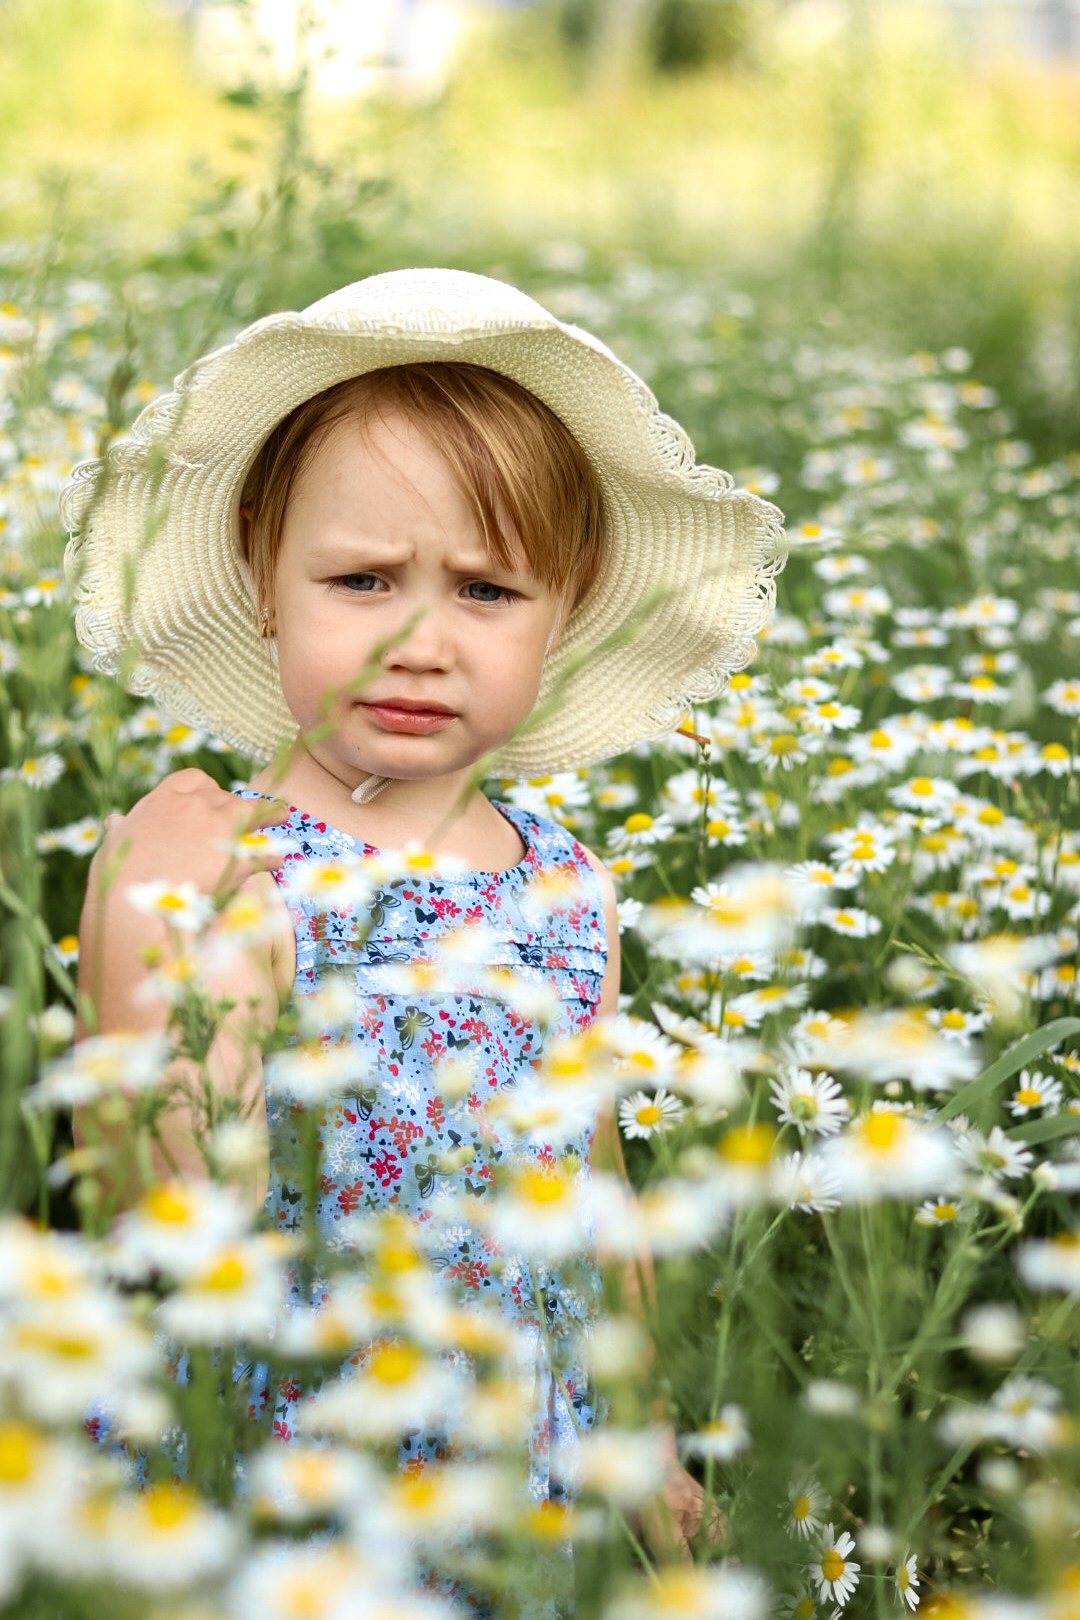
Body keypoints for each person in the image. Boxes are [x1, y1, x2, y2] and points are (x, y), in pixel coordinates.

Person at [64, 268, 784, 1596]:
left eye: (489, 592)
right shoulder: (217, 854)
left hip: (527, 1477)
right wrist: (175, 956)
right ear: (262, 586)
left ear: (562, 622)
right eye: (363, 578)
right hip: (293, 1471)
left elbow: (595, 1186)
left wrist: (649, 1444)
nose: (419, 639)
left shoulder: (571, 890)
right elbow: (157, 1210)